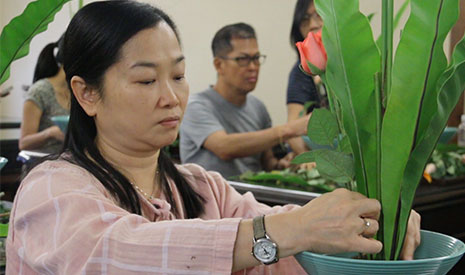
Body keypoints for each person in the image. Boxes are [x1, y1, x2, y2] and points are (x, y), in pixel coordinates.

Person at [6, 1, 421, 274]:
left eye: (180, 76)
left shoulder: (204, 189)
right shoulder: (51, 191)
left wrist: (365, 225)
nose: (170, 98)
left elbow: (285, 246)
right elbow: (113, 252)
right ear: (87, 93)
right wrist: (287, 230)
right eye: (147, 79)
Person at [180, 23, 310, 178]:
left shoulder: (258, 107)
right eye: (243, 59)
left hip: (253, 198)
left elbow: (267, 163)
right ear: (219, 65)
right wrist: (289, 129)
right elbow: (224, 147)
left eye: (256, 58)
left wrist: (282, 165)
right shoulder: (196, 106)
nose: (253, 67)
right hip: (209, 199)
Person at [286, 0, 326, 155]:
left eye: (319, 15)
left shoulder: (357, 64)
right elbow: (292, 128)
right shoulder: (301, 73)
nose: (312, 25)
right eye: (305, 19)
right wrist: (309, 160)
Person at [19, 35, 70, 154]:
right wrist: (50, 133)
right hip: (41, 165)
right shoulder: (40, 91)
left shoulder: (78, 92)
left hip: (70, 163)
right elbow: (24, 143)